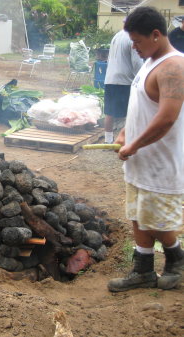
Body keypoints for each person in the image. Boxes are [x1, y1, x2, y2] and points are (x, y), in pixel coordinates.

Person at [107, 7, 184, 292]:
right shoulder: (149, 62)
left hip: (161, 163)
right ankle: (143, 271)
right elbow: (141, 106)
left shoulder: (174, 66)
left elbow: (166, 118)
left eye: (137, 42)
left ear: (155, 34)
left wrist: (135, 145)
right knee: (138, 216)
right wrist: (126, 131)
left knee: (158, 221)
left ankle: (176, 258)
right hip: (140, 161)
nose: (134, 48)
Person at [103, 27, 143, 144]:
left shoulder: (117, 35)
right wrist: (141, 77)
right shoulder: (132, 38)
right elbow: (137, 62)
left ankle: (108, 140)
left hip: (110, 78)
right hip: (125, 80)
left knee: (109, 112)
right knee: (129, 112)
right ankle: (126, 140)